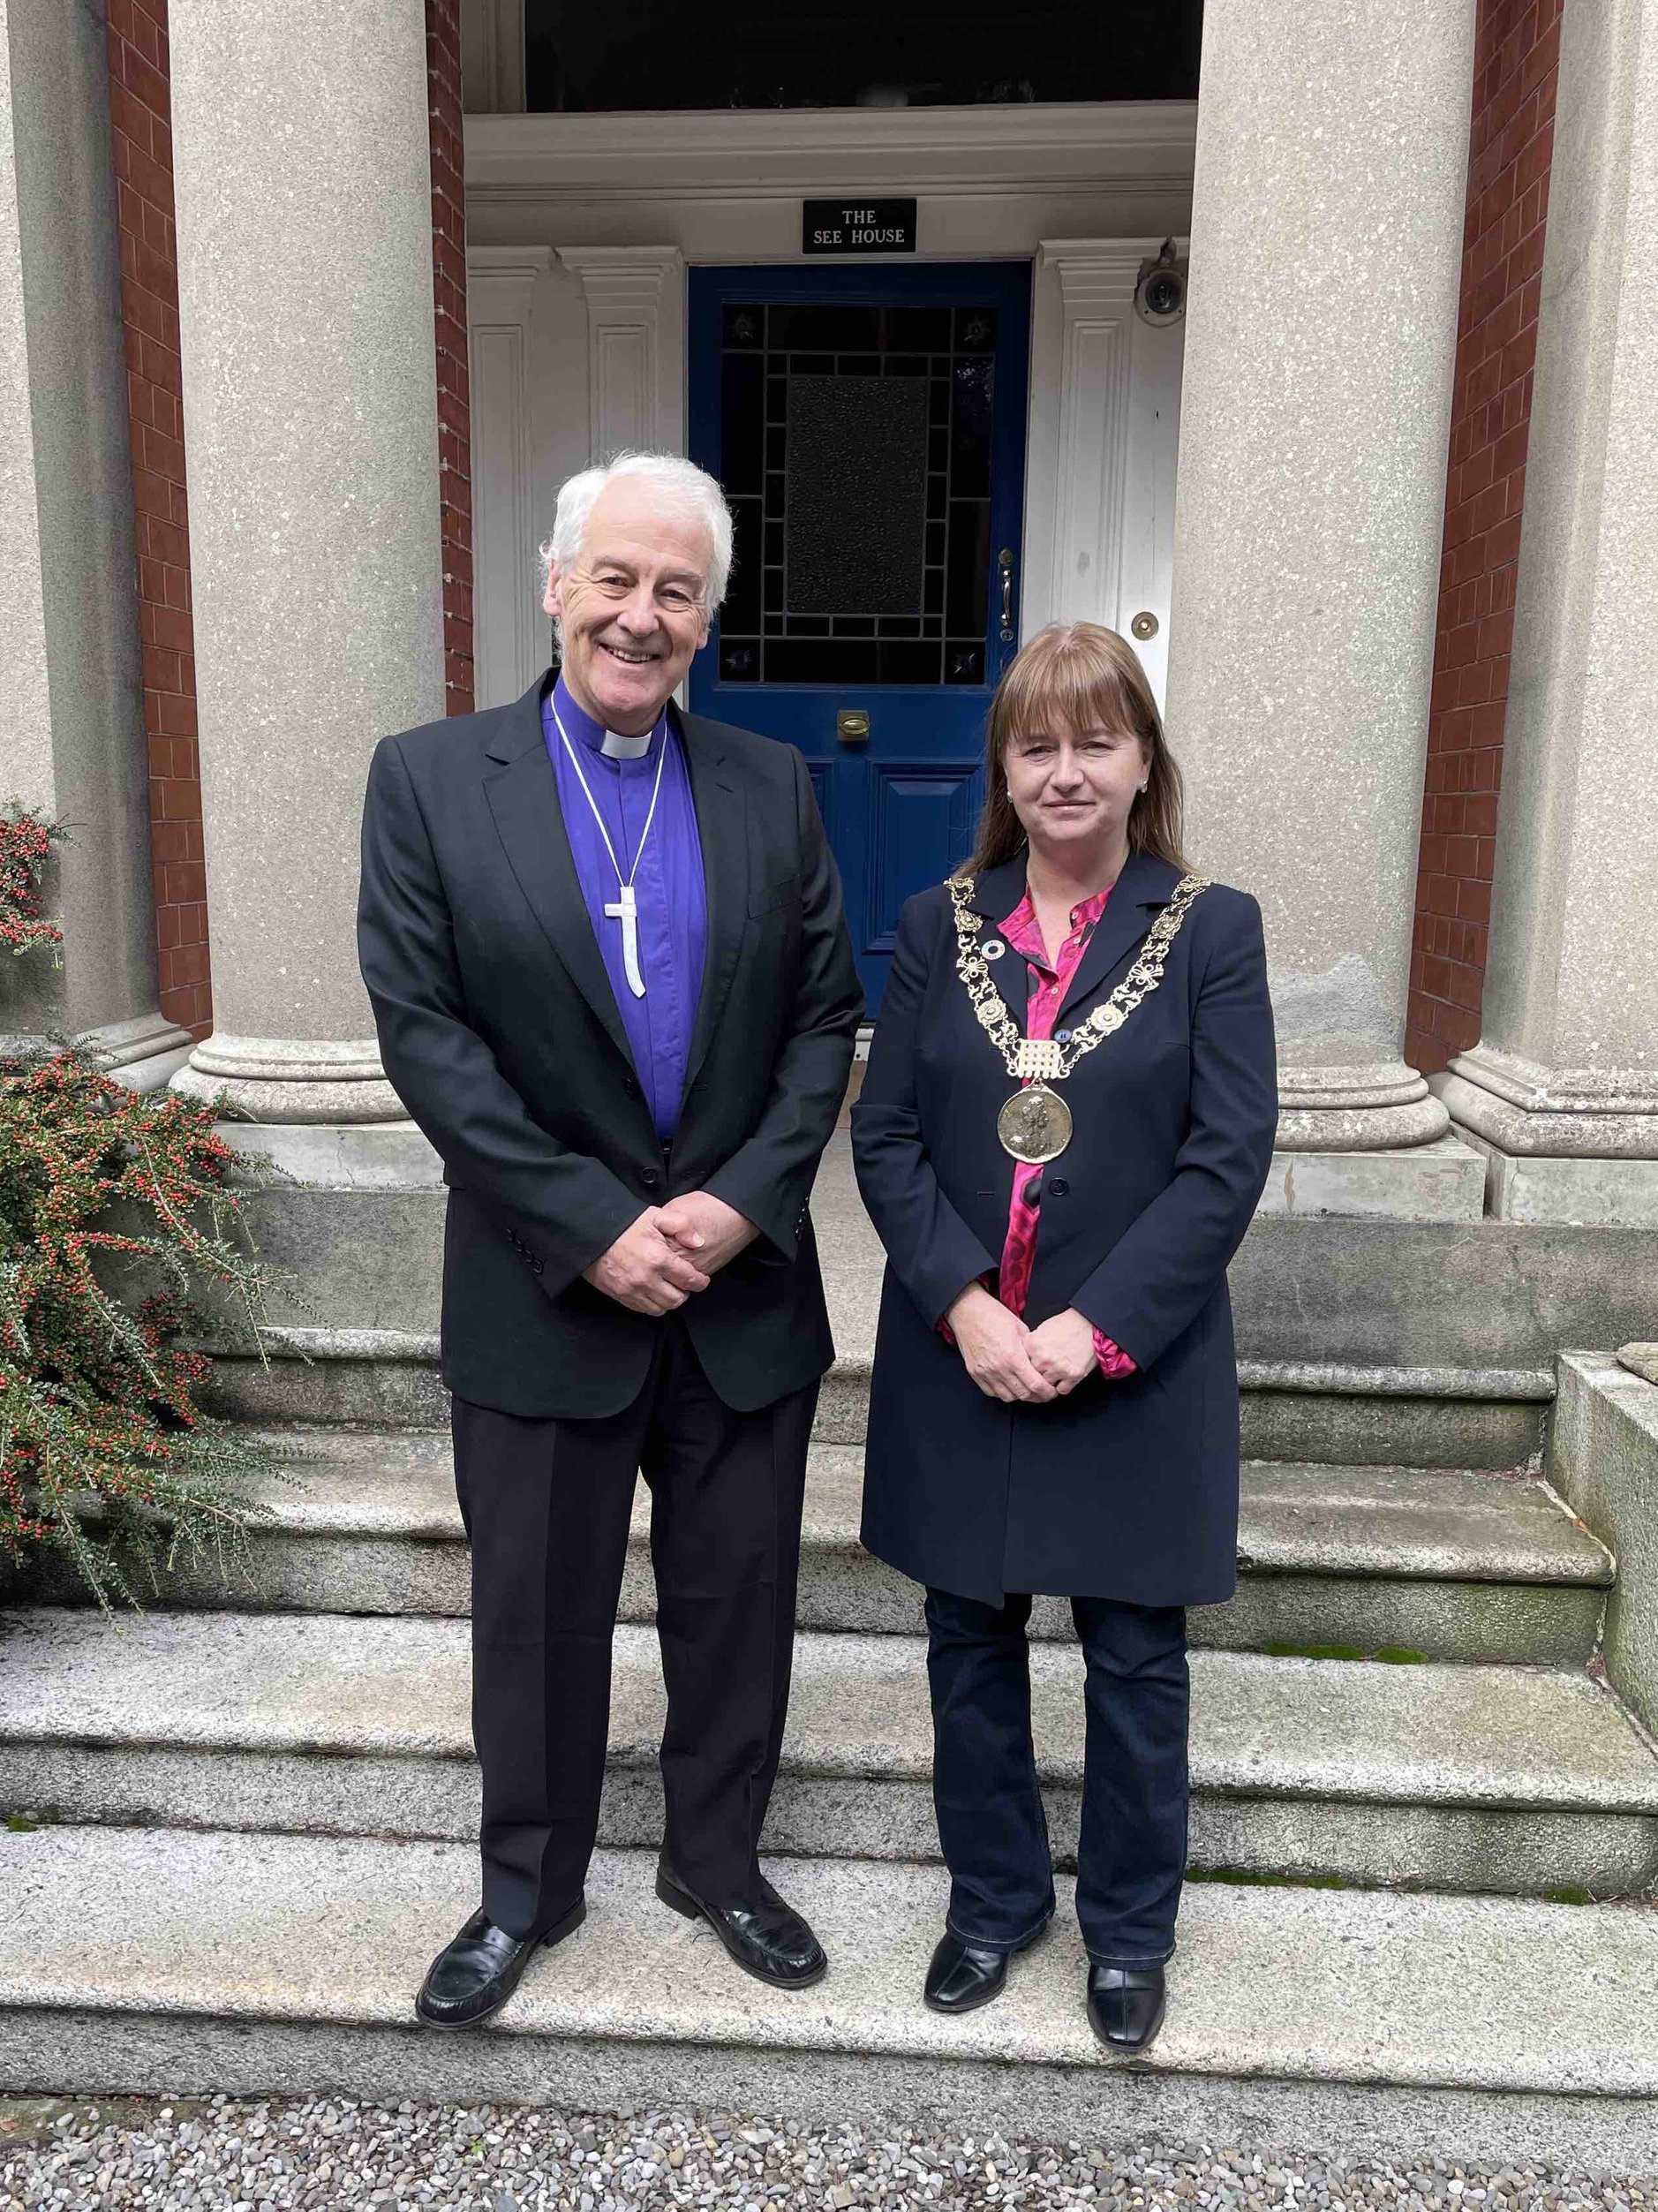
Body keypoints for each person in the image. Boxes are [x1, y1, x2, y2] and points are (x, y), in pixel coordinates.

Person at [358, 451, 862, 2030]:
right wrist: (589, 1226)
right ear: (554, 583)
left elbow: (822, 1021)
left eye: (676, 590)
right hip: (541, 1289)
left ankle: (717, 1861)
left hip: (736, 1286)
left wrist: (735, 1204)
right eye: (617, 581)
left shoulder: (772, 784)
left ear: (707, 615)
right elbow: (426, 1036)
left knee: (735, 1602)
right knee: (537, 1609)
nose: (641, 618)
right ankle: (526, 1886)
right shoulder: (431, 777)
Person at [851, 621, 1277, 2055]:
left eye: (1096, 739)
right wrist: (964, 1302)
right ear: (1003, 767)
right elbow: (887, 1130)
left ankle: (1128, 1933)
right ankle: (991, 1905)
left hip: (1130, 1365)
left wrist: (1092, 1328)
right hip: (957, 1350)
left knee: (1133, 1659)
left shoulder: (1212, 928)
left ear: (1143, 758)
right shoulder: (937, 923)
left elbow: (1226, 1156)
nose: (1065, 770)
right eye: (1036, 744)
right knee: (966, 1641)